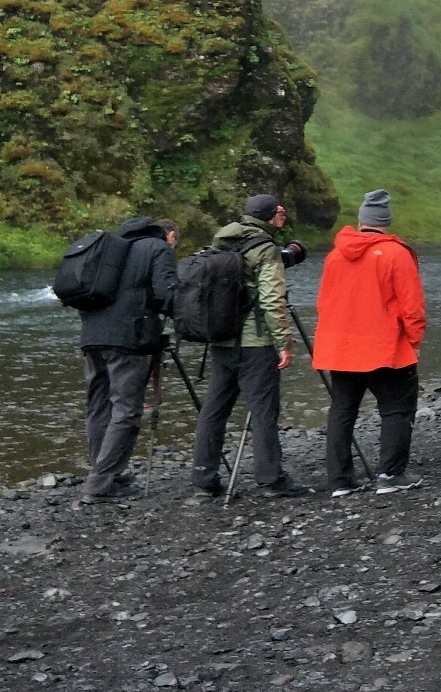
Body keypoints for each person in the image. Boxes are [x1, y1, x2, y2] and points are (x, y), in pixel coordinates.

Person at [191, 194, 310, 499]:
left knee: (214, 409)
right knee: (263, 411)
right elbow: (272, 300)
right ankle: (271, 479)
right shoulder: (265, 249)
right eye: (280, 212)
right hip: (256, 343)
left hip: (220, 338)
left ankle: (204, 478)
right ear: (270, 218)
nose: (283, 216)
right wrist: (284, 343)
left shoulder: (223, 241)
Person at [313, 189, 427, 496]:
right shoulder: (396, 253)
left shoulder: (335, 255)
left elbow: (324, 303)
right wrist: (414, 341)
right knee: (397, 410)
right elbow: (412, 306)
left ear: (362, 220)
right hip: (384, 348)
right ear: (385, 221)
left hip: (341, 349)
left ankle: (340, 481)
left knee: (342, 411)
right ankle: (390, 475)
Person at [80, 216, 179, 503]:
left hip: (91, 335)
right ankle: (100, 484)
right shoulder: (157, 248)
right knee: (127, 409)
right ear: (167, 234)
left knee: (98, 407)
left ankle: (106, 472)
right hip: (128, 338)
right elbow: (165, 295)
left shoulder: (111, 248)